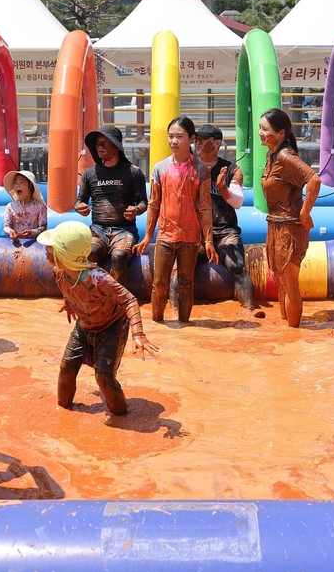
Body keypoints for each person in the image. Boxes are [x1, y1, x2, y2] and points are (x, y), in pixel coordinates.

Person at [39, 221, 157, 416]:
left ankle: (122, 418)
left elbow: (129, 300)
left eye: (51, 248)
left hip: (112, 326)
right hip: (85, 326)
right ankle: (63, 413)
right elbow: (68, 290)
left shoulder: (98, 279)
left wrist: (139, 334)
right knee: (66, 367)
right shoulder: (59, 273)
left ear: (65, 255)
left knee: (104, 377)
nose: (46, 250)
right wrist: (70, 304)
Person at [135, 116, 217, 324]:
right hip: (164, 235)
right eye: (171, 136)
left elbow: (206, 207)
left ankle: (185, 324)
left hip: (190, 236)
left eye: (179, 137)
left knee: (186, 283)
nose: (174, 141)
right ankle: (156, 322)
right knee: (159, 283)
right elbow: (154, 204)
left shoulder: (201, 171)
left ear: (191, 139)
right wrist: (147, 237)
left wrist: (208, 241)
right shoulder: (159, 168)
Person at [258, 109, 321, 328]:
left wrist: (305, 212)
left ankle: (294, 337)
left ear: (280, 132)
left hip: (290, 228)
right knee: (281, 282)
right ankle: (287, 333)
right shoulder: (272, 155)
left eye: (264, 129)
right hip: (276, 225)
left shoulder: (285, 157)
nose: (260, 133)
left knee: (290, 284)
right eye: (260, 128)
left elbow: (314, 180)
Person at [192, 124, 259, 316]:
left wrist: (223, 188)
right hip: (196, 231)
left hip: (224, 231)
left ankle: (249, 310)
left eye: (204, 140)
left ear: (217, 143)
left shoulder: (232, 170)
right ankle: (173, 313)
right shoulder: (188, 168)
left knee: (237, 266)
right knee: (180, 270)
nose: (199, 144)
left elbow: (238, 202)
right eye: (197, 140)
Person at [75, 125, 148, 286]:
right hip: (97, 229)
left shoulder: (133, 172)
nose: (100, 146)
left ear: (116, 147)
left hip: (125, 230)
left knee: (119, 256)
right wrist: (79, 208)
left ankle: (116, 300)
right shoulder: (89, 174)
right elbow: (80, 201)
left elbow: (144, 202)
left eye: (105, 143)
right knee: (91, 253)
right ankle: (92, 295)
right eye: (98, 143)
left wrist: (136, 210)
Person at [2, 169, 48, 242]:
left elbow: (43, 228)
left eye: (21, 182)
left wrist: (31, 232)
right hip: (16, 243)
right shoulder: (10, 207)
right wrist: (11, 231)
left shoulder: (40, 207)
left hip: (34, 244)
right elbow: (6, 226)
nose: (17, 185)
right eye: (15, 182)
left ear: (30, 187)